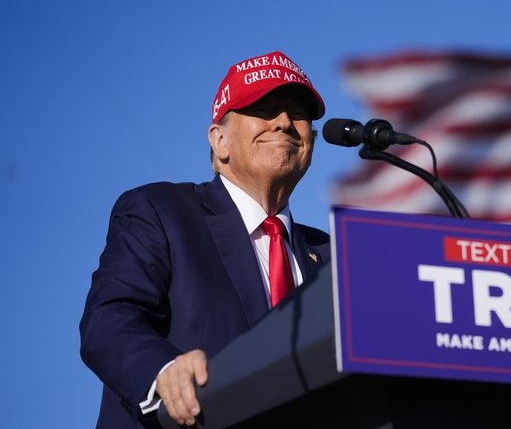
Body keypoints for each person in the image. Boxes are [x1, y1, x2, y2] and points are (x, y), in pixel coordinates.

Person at [80, 51, 331, 428]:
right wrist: (162, 371)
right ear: (220, 141)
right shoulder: (160, 213)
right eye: (264, 109)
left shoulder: (334, 258)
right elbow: (109, 318)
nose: (284, 122)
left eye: (298, 114)